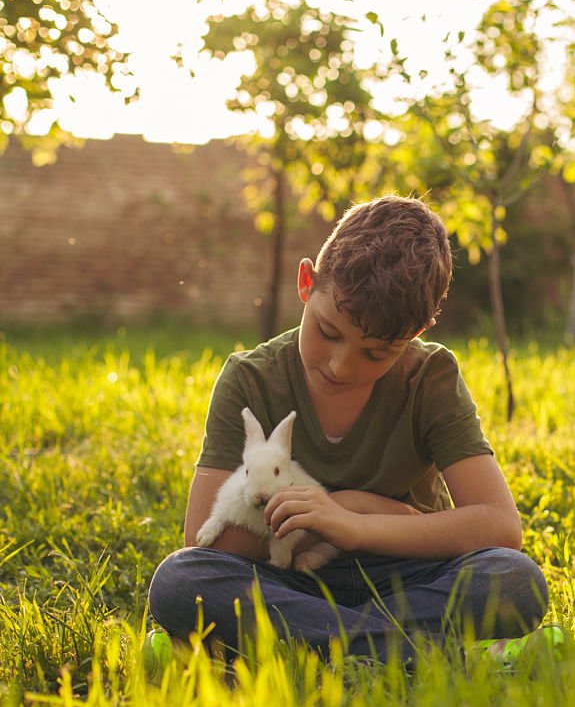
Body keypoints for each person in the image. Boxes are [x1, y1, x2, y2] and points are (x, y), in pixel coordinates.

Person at [147, 195, 550, 665]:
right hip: (287, 580)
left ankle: (307, 650)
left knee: (513, 578)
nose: (341, 365)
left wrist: (354, 519)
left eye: (376, 354)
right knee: (183, 581)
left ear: (416, 333)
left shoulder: (430, 377)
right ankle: (440, 657)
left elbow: (500, 527)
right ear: (306, 283)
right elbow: (204, 537)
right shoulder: (250, 379)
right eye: (328, 331)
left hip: (408, 576)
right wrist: (322, 520)